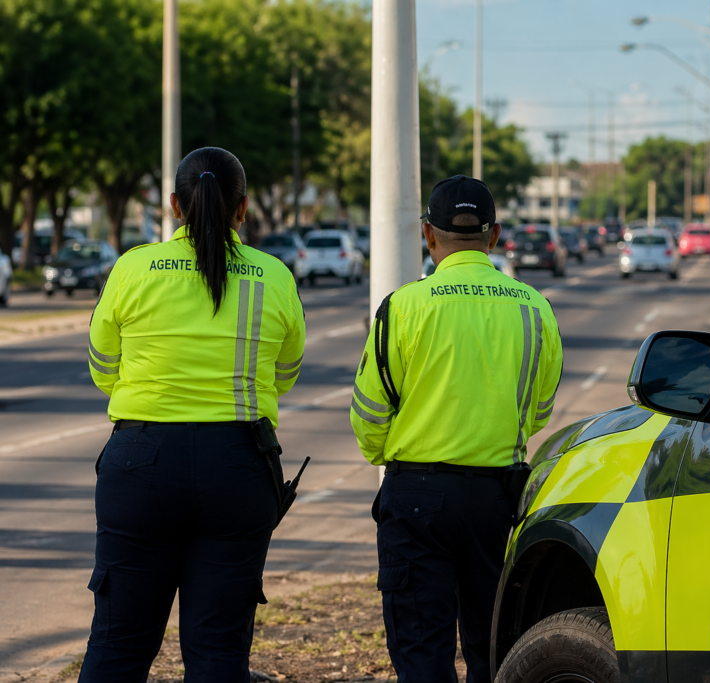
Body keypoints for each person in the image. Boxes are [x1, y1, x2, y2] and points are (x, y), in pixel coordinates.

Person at [79, 147, 305, 682]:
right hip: (239, 468)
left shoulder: (133, 268)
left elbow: (103, 368)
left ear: (175, 205)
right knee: (219, 652)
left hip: (141, 465)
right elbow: (285, 372)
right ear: (242, 208)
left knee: (117, 645)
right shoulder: (273, 276)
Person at [350, 175, 563, 683]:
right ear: (494, 236)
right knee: (494, 649)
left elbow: (369, 415)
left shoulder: (403, 307)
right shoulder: (533, 308)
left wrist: (391, 457)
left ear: (429, 234)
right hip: (496, 500)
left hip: (416, 499)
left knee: (421, 651)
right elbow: (538, 410)